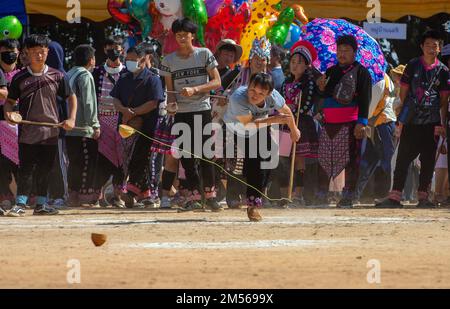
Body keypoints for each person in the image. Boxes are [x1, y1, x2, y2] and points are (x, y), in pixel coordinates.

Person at [3, 34, 77, 216]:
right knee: (26, 168)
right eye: (34, 52)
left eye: (42, 52)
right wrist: (9, 114)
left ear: (47, 52)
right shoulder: (20, 78)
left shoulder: (57, 76)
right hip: (27, 132)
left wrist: (71, 118)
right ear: (26, 53)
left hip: (50, 132)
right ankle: (20, 204)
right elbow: (9, 101)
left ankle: (41, 205)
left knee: (46, 169)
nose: (39, 55)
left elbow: (72, 97)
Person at [376, 30, 450, 208]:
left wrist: (437, 119)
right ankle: (395, 196)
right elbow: (403, 93)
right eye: (428, 45)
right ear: (421, 47)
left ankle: (423, 197)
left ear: (439, 49)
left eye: (435, 45)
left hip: (431, 123)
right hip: (411, 121)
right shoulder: (413, 65)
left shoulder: (443, 71)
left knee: (428, 161)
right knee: (402, 159)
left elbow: (443, 99)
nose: (432, 48)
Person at [159, 17, 222, 212]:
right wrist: (170, 106)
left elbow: (217, 82)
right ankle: (195, 195)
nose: (182, 39)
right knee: (186, 157)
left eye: (185, 35)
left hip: (202, 110)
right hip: (181, 114)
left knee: (206, 154)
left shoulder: (204, 54)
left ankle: (211, 196)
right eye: (178, 36)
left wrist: (195, 89)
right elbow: (170, 91)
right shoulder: (168, 60)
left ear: (192, 35)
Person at [222, 72, 300, 221]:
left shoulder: (273, 95)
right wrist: (275, 119)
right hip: (238, 128)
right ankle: (253, 203)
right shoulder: (238, 98)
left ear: (269, 93)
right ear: (248, 85)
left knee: (268, 157)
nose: (255, 95)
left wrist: (294, 129)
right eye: (252, 90)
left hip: (261, 124)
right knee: (254, 161)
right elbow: (248, 124)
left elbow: (286, 111)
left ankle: (254, 188)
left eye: (261, 93)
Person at [316, 34, 372, 208]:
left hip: (350, 123)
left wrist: (361, 122)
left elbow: (365, 99)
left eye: (346, 50)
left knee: (351, 161)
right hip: (329, 123)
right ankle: (320, 195)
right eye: (339, 50)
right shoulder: (331, 71)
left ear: (355, 53)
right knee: (324, 159)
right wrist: (321, 88)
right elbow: (324, 97)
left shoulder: (362, 72)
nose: (342, 54)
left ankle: (348, 196)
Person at [113, 44, 165, 208]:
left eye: (133, 60)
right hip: (126, 127)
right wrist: (123, 111)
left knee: (143, 159)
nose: (129, 63)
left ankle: (136, 192)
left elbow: (153, 103)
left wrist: (133, 112)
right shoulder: (124, 78)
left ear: (143, 60)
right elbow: (115, 98)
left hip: (147, 129)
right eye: (127, 60)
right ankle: (143, 194)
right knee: (126, 160)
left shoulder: (153, 79)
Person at [275, 41, 321, 207]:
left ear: (307, 65)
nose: (295, 65)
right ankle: (283, 194)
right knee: (282, 158)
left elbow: (307, 103)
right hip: (284, 124)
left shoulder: (309, 83)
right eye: (293, 62)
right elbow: (279, 102)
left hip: (301, 124)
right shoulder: (285, 83)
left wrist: (292, 114)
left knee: (299, 159)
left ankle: (298, 194)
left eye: (300, 62)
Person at [91, 36, 127, 207]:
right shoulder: (96, 72)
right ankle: (97, 196)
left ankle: (117, 195)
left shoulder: (128, 72)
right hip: (101, 122)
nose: (114, 50)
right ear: (105, 50)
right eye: (110, 47)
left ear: (122, 50)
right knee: (102, 159)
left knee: (122, 160)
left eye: (117, 46)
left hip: (122, 122)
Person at [354, 73, 397, 204]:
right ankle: (357, 194)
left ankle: (387, 194)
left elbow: (370, 107)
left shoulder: (379, 79)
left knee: (385, 161)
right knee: (369, 161)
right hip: (378, 124)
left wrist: (359, 121)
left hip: (382, 124)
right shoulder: (381, 78)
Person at [66, 44, 101, 206]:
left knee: (74, 163)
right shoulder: (85, 75)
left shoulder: (68, 74)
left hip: (69, 129)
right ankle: (85, 196)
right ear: (91, 59)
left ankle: (72, 194)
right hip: (83, 128)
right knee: (87, 162)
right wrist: (94, 125)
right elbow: (89, 102)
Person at [0, 39, 20, 212]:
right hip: (0, 125)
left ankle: (20, 198)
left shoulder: (23, 74)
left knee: (19, 164)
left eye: (12, 50)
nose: (9, 54)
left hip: (19, 127)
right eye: (5, 51)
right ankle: (5, 197)